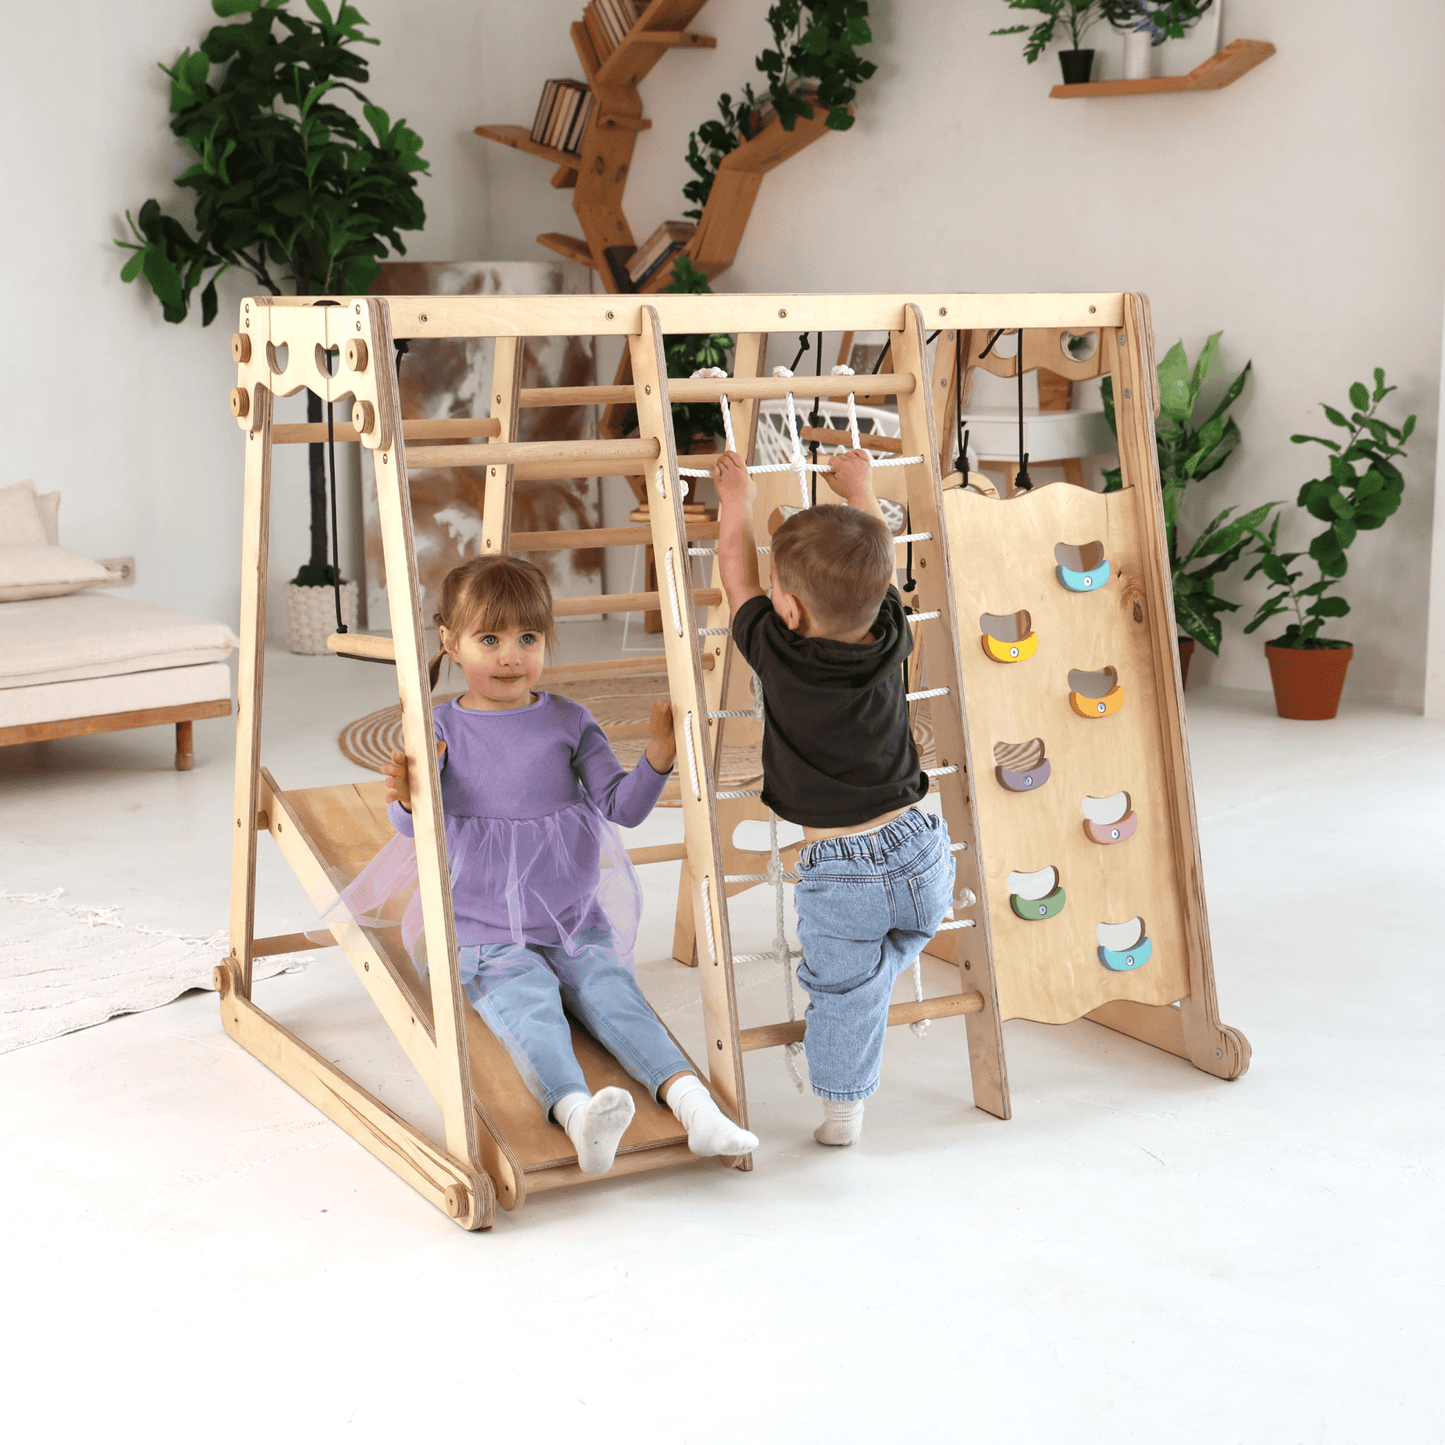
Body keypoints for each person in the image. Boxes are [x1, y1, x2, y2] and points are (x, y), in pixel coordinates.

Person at [355, 553, 757, 1175]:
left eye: (527, 638)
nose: (509, 655)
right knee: (529, 1004)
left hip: (569, 916)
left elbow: (621, 809)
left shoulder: (570, 721)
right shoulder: (439, 729)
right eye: (488, 639)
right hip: (485, 927)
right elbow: (417, 832)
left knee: (614, 995)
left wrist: (657, 756)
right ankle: (577, 1115)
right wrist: (408, 797)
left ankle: (698, 1109)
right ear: (450, 644)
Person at [713, 447, 955, 1147]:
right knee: (902, 938)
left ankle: (842, 1113)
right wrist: (862, 487)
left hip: (839, 872)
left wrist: (737, 499)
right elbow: (874, 564)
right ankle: (875, 980)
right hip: (922, 848)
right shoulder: (888, 635)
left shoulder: (774, 647)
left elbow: (734, 574)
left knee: (843, 993)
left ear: (784, 607)